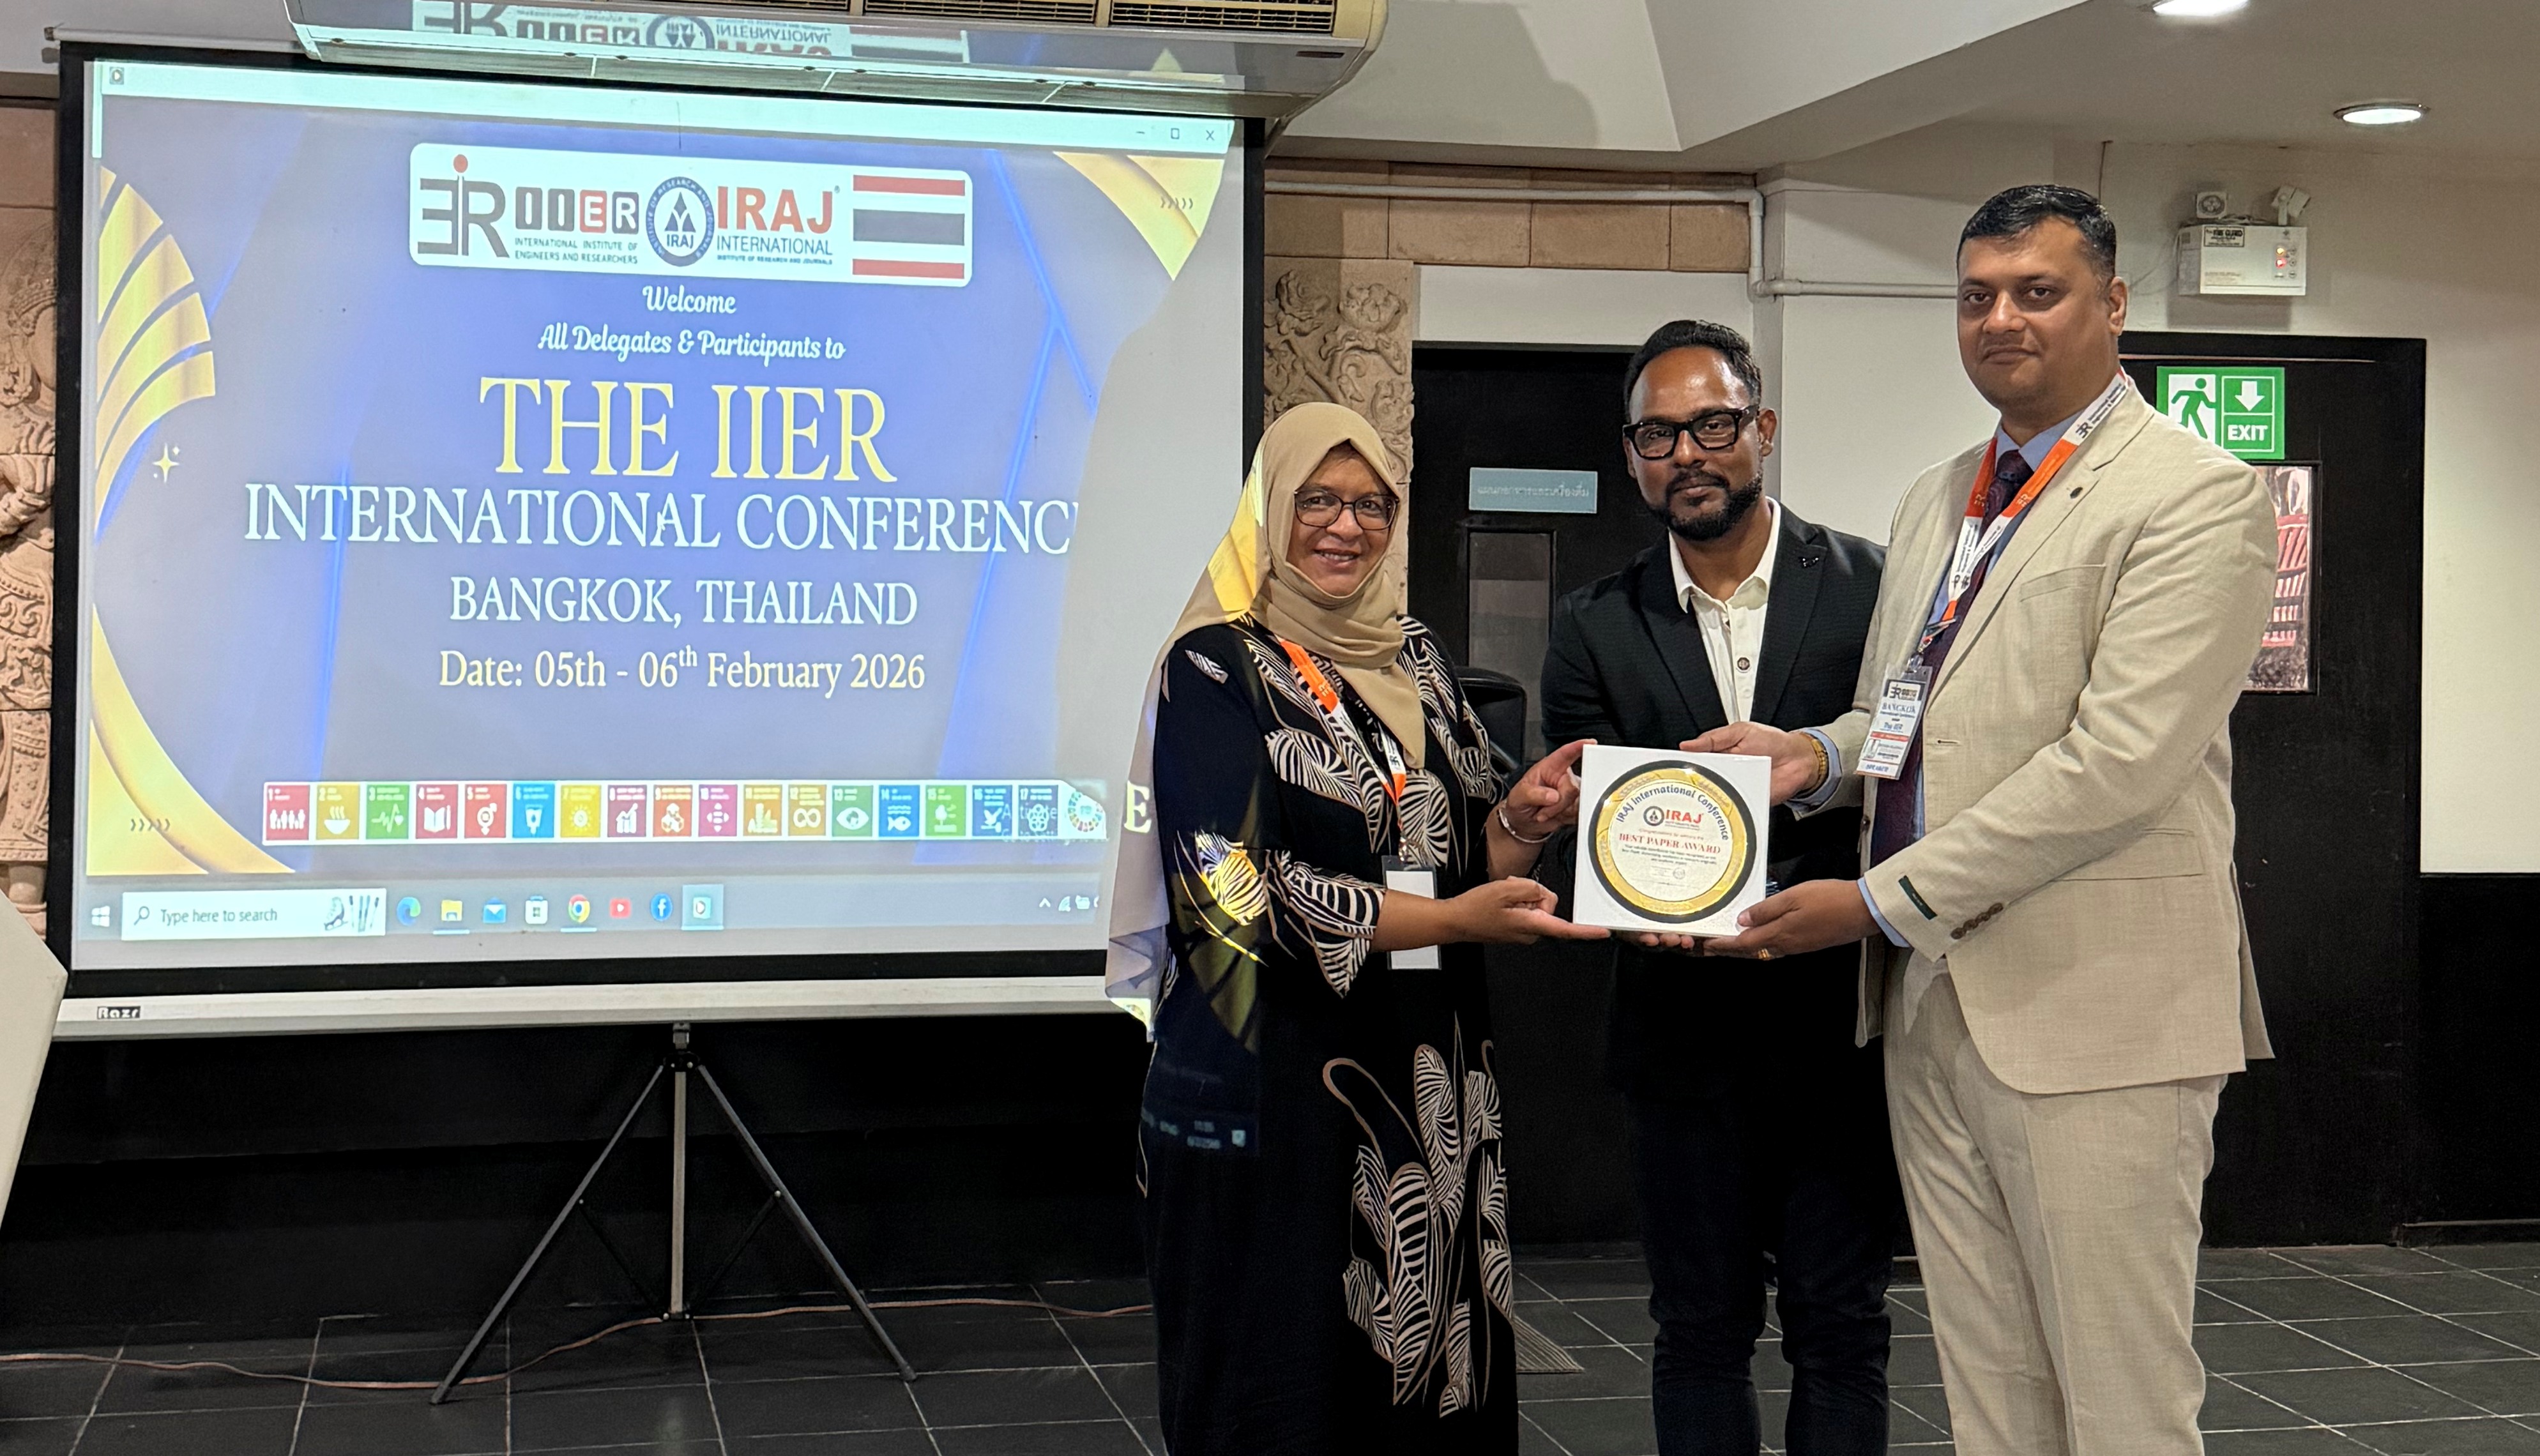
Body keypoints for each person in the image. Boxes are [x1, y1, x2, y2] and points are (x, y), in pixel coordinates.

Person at [1689, 185, 2278, 1456]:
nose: (2001, 319)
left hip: (2097, 1015)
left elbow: (2116, 766)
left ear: (2113, 304)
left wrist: (1875, 901)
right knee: (1992, 1389)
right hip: (1932, 1005)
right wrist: (1811, 757)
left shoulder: (2195, 495)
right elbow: (1912, 711)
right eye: (1977, 297)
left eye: (2037, 292)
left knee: (2118, 1399)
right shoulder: (1940, 495)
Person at [1113, 402, 1605, 1454]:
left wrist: (1522, 824)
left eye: (1371, 504)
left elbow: (1459, 849)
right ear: (1268, 512)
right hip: (1273, 1080)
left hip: (1425, 1074)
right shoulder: (1212, 666)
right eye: (1317, 501)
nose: (1346, 527)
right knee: (1283, 1372)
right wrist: (1452, 916)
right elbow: (1230, 888)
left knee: (1425, 1360)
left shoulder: (1415, 656)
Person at [1537, 320, 1896, 1455]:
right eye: (1657, 435)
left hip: (1839, 1017)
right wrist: (1628, 908)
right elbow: (1580, 822)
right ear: (1630, 454)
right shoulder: (1594, 622)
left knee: (1842, 1326)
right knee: (1697, 1329)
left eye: (1711, 425)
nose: (1686, 453)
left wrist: (1809, 778)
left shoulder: (1877, 588)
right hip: (1677, 1029)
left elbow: (1916, 764)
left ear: (1762, 429)